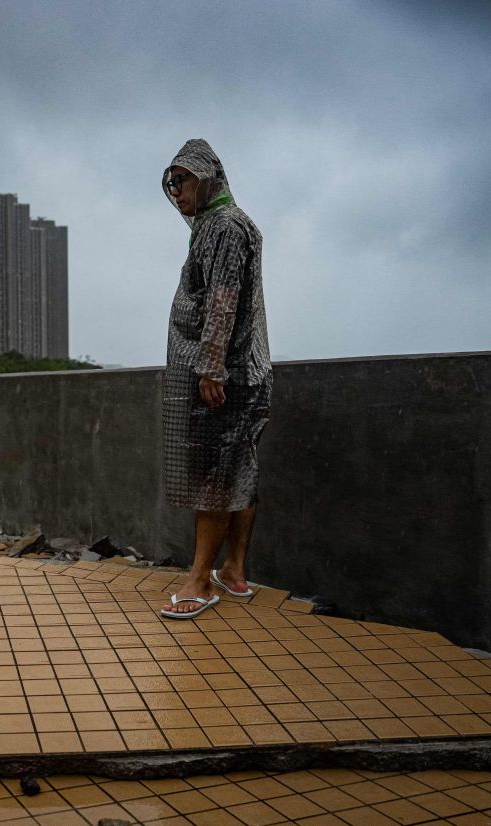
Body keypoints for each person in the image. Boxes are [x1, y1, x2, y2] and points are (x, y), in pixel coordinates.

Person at [159, 139, 272, 620]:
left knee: (213, 477)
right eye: (171, 183)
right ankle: (234, 571)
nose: (176, 191)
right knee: (238, 471)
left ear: (206, 178)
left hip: (224, 374)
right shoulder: (229, 224)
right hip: (246, 370)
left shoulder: (224, 227)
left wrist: (210, 366)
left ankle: (200, 580)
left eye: (181, 180)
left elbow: (223, 299)